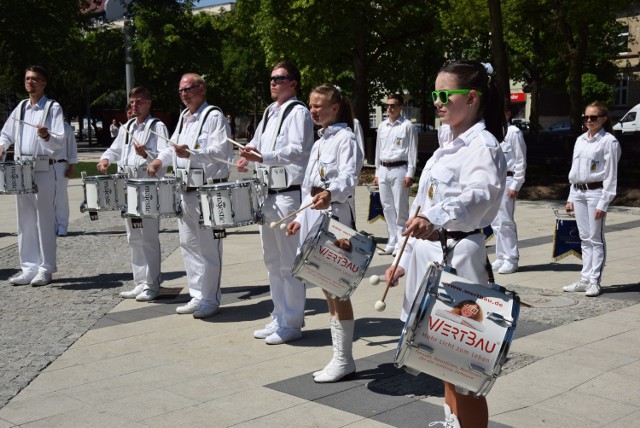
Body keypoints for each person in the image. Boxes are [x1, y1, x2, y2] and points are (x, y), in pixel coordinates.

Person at [385, 60, 507, 428]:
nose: (437, 102)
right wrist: (400, 258)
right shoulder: (447, 144)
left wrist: (435, 218)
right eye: (434, 94)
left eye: (444, 94)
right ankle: (451, 420)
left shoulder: (483, 145)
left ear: (471, 98)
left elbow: (480, 193)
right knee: (439, 354)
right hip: (430, 253)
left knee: (465, 365)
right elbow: (422, 205)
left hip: (459, 254)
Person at [285, 83, 359, 382]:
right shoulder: (319, 142)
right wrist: (299, 218)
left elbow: (349, 178)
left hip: (335, 220)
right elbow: (308, 187)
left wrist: (332, 192)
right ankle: (339, 356)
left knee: (337, 289)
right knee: (326, 288)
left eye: (318, 106)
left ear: (334, 107)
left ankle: (344, 359)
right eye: (311, 106)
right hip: (315, 218)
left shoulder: (346, 139)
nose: (313, 110)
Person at [237, 61, 314, 344]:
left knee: (289, 261)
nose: (273, 83)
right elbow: (257, 142)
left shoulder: (299, 112)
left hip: (289, 193)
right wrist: (247, 155)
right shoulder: (270, 111)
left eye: (279, 79)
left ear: (293, 82)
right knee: (271, 260)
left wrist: (263, 158)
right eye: (271, 79)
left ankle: (292, 322)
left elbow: (297, 149)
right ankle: (279, 315)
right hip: (268, 193)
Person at [148, 73, 232, 318]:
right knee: (188, 244)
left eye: (189, 89)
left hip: (208, 189)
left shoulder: (214, 116)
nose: (184, 94)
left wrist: (193, 153)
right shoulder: (184, 117)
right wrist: (157, 160)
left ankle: (211, 298)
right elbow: (170, 147)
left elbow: (221, 150)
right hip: (186, 190)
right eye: (181, 90)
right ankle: (197, 294)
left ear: (202, 89)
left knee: (209, 247)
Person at [97, 86, 169, 302]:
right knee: (133, 236)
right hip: (128, 184)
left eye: (139, 101)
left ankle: (152, 283)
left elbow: (166, 154)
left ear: (148, 103)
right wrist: (106, 159)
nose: (134, 105)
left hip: (146, 184)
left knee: (148, 237)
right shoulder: (127, 126)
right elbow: (115, 149)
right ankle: (139, 282)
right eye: (132, 102)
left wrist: (146, 154)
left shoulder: (157, 126)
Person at [0, 65, 65, 286]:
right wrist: (1, 146)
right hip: (21, 169)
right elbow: (6, 134)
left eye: (35, 79)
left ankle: (46, 268)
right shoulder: (20, 108)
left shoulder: (53, 108)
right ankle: (28, 267)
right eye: (27, 78)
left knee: (44, 220)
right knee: (25, 221)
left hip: (43, 169)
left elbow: (60, 141)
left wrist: (46, 136)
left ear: (44, 83)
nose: (30, 82)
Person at [563, 101, 621, 297]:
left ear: (603, 119)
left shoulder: (609, 142)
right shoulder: (580, 140)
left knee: (595, 239)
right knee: (583, 238)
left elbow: (611, 176)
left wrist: (604, 202)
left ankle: (594, 280)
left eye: (593, 117)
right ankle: (585, 278)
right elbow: (575, 171)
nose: (589, 120)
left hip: (596, 193)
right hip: (579, 192)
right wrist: (571, 196)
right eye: (585, 117)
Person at [374, 94, 418, 256]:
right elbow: (378, 150)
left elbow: (413, 151)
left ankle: (402, 242)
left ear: (400, 107)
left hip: (400, 168)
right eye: (388, 106)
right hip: (384, 169)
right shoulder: (382, 126)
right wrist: (377, 172)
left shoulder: (407, 126)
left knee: (401, 208)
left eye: (393, 106)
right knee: (387, 207)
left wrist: (410, 173)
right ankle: (392, 240)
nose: (389, 109)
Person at [490, 103, 527, 274]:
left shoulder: (513, 132)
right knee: (495, 222)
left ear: (507, 113)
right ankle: (501, 256)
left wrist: (516, 183)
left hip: (508, 179)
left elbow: (520, 160)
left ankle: (512, 258)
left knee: (505, 221)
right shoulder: (492, 133)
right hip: (493, 181)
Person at [53, 122, 78, 237]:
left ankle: (62, 226)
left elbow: (72, 150)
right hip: (43, 166)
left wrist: (71, 167)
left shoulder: (66, 128)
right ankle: (52, 225)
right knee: (47, 199)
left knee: (60, 197)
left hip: (60, 164)